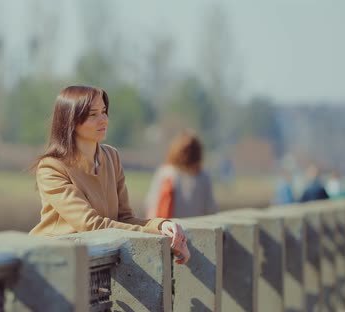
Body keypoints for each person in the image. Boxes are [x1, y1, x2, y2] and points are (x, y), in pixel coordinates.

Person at [29, 85, 189, 264]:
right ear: (71, 121)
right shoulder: (51, 167)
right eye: (93, 114)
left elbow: (125, 218)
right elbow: (91, 225)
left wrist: (162, 225)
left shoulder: (111, 157)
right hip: (53, 263)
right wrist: (157, 235)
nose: (103, 120)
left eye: (104, 112)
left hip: (94, 263)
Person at [145, 130, 218, 219]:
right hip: (196, 230)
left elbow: (152, 207)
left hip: (169, 230)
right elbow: (211, 210)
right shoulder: (203, 177)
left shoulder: (165, 173)